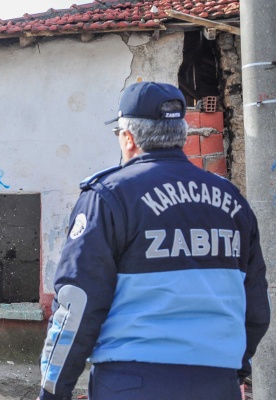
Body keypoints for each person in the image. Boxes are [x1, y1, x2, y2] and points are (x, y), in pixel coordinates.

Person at [38, 82, 270, 400]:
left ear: (128, 138)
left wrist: (53, 389)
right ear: (182, 135)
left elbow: (78, 304)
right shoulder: (231, 201)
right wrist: (235, 371)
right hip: (217, 383)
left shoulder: (109, 197)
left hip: (132, 383)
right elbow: (255, 305)